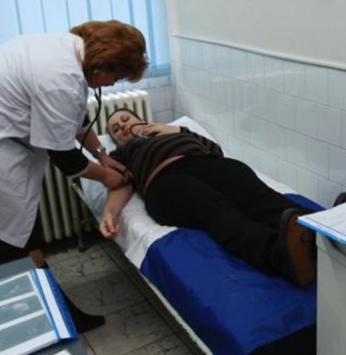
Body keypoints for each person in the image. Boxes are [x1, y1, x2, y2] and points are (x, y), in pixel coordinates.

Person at [0, 21, 148, 331]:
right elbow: (65, 157)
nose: (112, 84)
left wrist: (102, 154)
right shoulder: (62, 78)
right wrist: (105, 176)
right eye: (115, 77)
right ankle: (56, 317)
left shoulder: (61, 50)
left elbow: (75, 118)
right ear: (104, 64)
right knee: (22, 243)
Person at [99, 108, 318, 287]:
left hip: (207, 163)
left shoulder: (172, 131)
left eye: (125, 119)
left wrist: (175, 130)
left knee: (258, 196)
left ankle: (319, 232)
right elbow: (120, 184)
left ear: (140, 119)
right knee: (218, 211)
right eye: (116, 129)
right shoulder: (121, 154)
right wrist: (110, 213)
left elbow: (215, 150)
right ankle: (279, 257)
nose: (123, 127)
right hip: (165, 181)